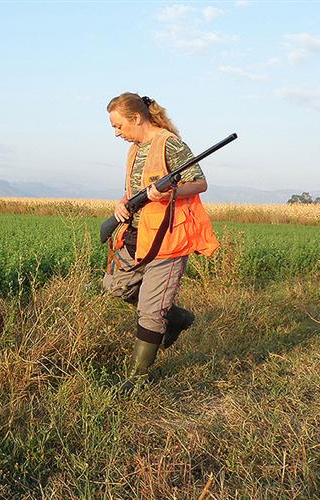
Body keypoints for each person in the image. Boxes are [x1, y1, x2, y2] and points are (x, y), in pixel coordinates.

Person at [101, 92, 219, 385]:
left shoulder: (170, 144)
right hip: (136, 236)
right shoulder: (135, 149)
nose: (116, 133)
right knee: (115, 286)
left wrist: (169, 191)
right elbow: (134, 191)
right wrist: (123, 203)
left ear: (136, 118)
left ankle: (137, 378)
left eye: (118, 126)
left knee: (151, 313)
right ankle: (177, 318)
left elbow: (200, 182)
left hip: (168, 239)